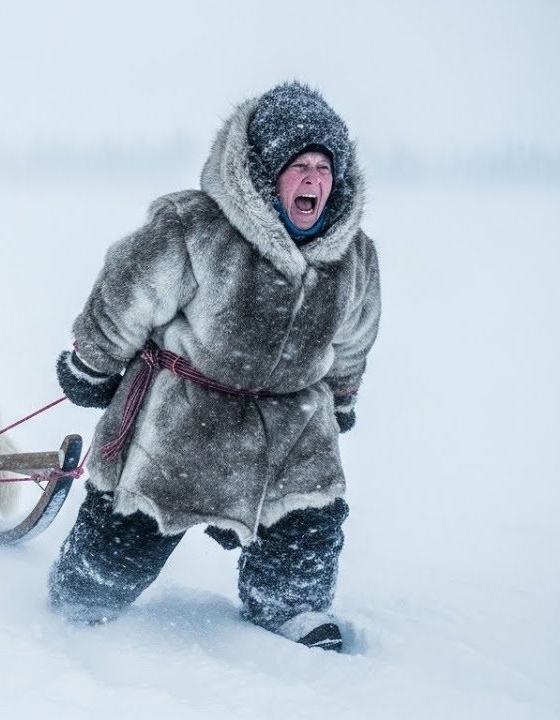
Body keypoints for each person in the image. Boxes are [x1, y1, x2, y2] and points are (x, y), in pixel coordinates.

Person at [49, 82, 381, 652]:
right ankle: (87, 595)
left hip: (293, 426)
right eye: (297, 164)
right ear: (263, 174)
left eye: (324, 167)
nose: (312, 179)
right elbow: (125, 294)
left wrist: (343, 398)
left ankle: (289, 605)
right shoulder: (193, 226)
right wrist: (94, 365)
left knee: (309, 517)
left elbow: (353, 341)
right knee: (104, 572)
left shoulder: (353, 257)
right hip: (182, 418)